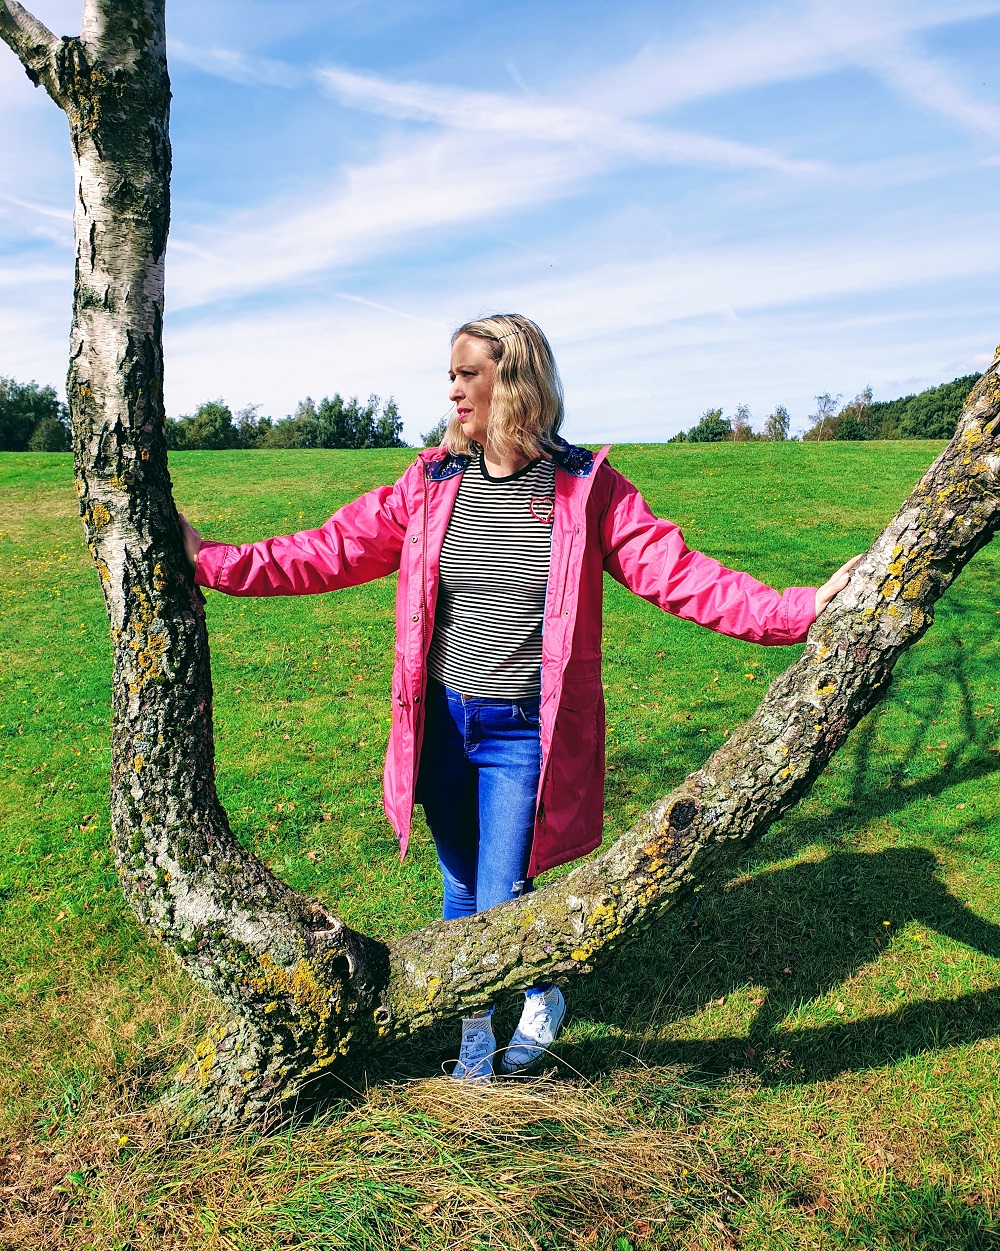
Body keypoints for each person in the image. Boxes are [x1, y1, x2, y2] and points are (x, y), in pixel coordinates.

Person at [180, 313, 858, 1083]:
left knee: (503, 898)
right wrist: (210, 560)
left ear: (518, 379)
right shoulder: (432, 482)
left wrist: (797, 609)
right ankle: (480, 1026)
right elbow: (326, 549)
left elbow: (683, 574)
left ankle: (532, 997)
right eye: (451, 372)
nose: (453, 386)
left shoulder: (586, 490)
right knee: (461, 885)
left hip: (518, 735)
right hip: (440, 724)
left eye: (470, 370)